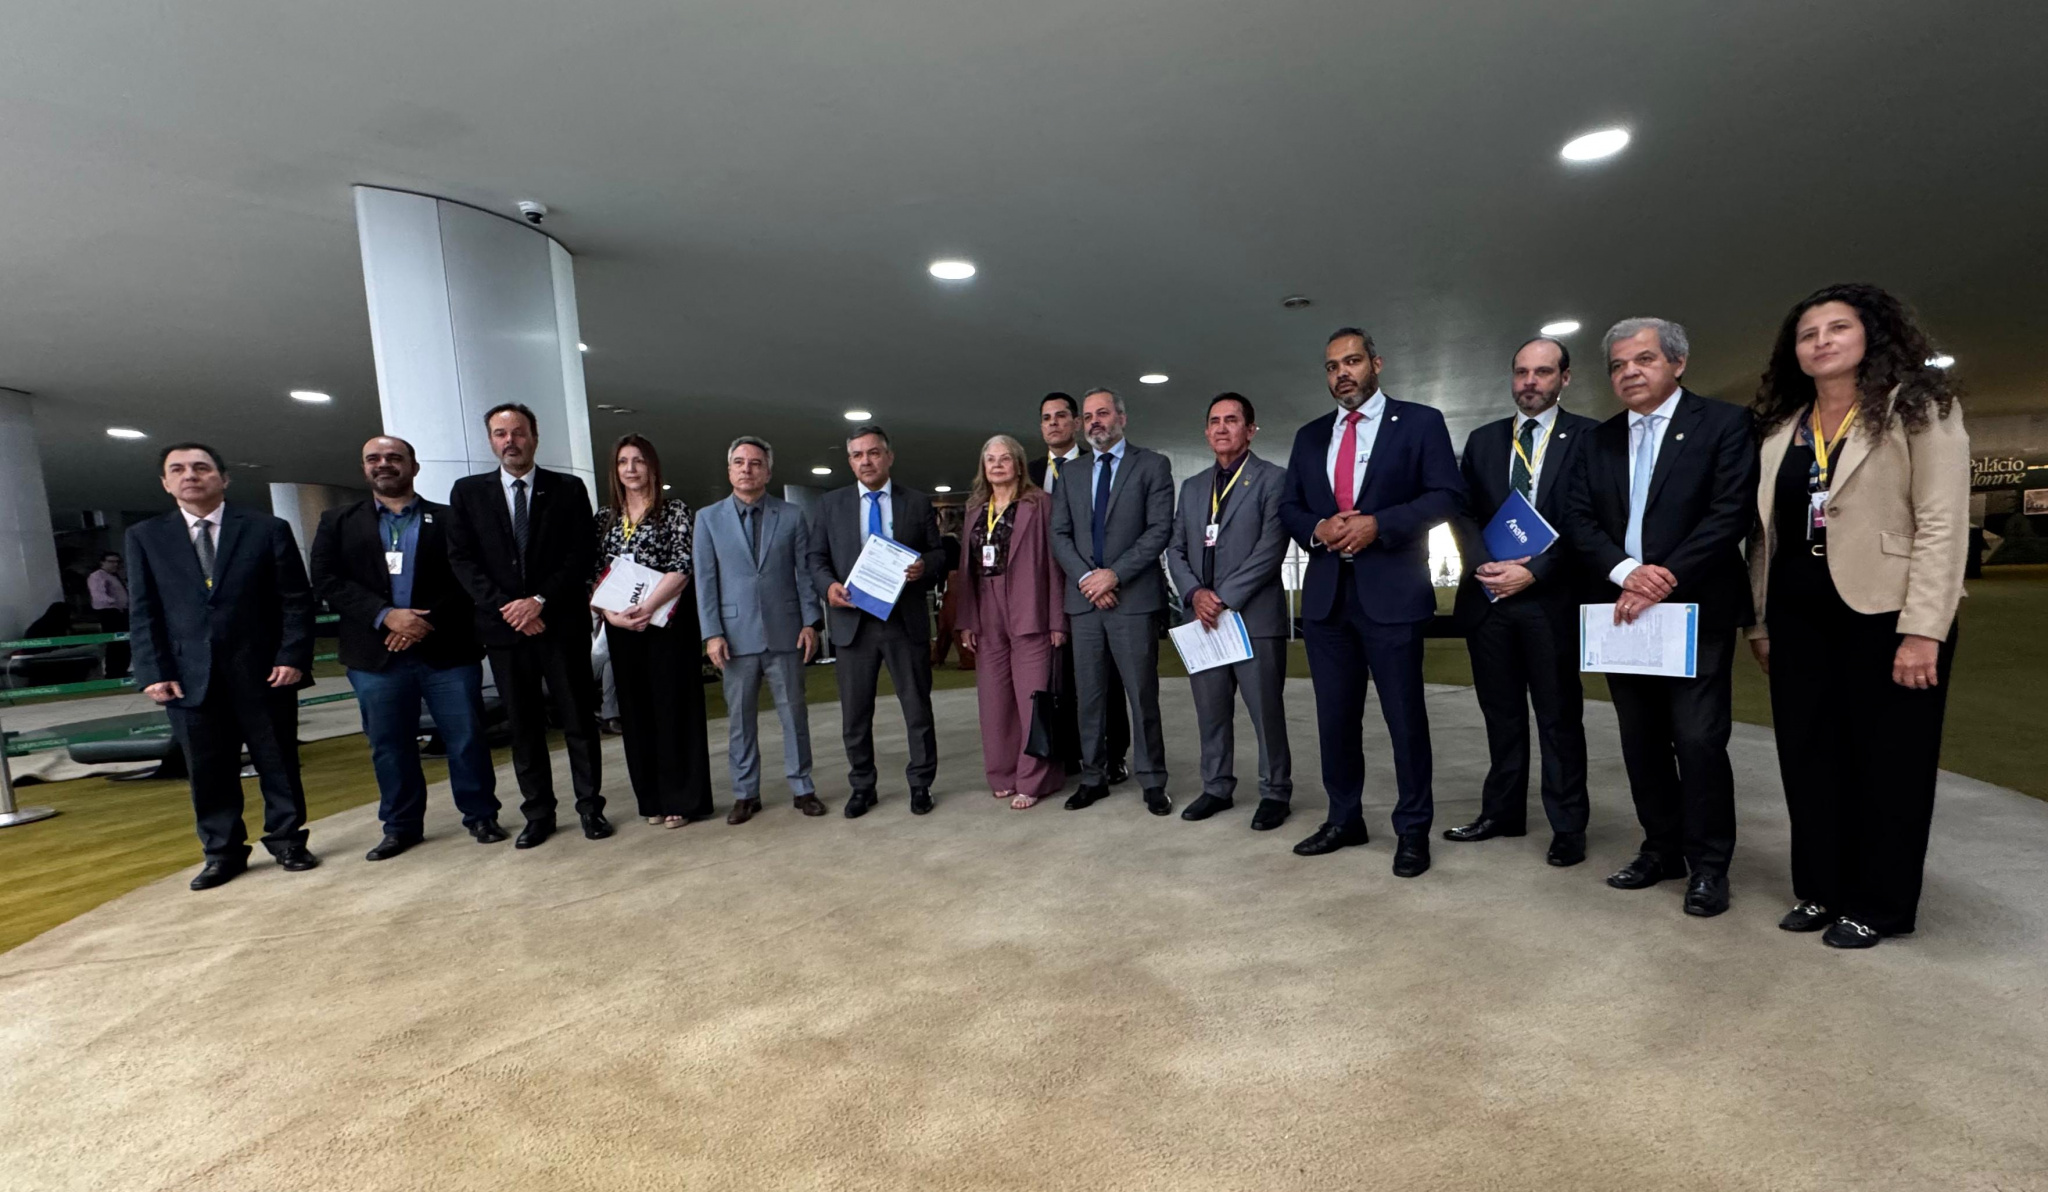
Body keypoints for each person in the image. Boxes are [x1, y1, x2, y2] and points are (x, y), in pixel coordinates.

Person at [1747, 284, 1969, 948]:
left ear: (1871, 334)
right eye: (1807, 333)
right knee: (1809, 758)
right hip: (1797, 618)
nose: (1821, 341)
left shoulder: (1920, 409)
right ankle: (1822, 888)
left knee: (1890, 764)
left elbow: (1942, 523)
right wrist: (1760, 622)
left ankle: (1881, 904)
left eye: (1837, 328)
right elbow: (1763, 535)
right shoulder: (1783, 428)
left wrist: (1924, 630)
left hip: (1887, 615)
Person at [1559, 317, 1757, 917]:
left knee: (1698, 740)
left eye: (1643, 359)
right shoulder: (1597, 441)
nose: (1629, 373)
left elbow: (1729, 512)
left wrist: (1663, 577)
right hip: (1623, 611)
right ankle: (1661, 849)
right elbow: (1577, 518)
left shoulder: (1724, 424)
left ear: (1678, 362)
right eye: (1618, 365)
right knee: (1640, 741)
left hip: (1695, 609)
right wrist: (1626, 573)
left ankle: (1709, 866)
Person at [1278, 328, 1464, 877]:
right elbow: (1289, 506)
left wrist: (1379, 524)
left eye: (1353, 361)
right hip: (1327, 601)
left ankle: (1413, 830)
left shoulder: (1420, 422)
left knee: (1404, 719)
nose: (1343, 373)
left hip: (1393, 597)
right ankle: (1344, 818)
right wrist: (1317, 528)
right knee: (1335, 719)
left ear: (1376, 364)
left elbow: (1446, 495)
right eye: (1332, 366)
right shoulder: (1310, 436)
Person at [125, 442, 316, 889]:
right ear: (166, 483)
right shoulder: (145, 536)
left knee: (279, 762)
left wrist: (292, 656)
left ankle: (288, 841)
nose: (190, 475)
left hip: (264, 671)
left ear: (223, 478)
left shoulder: (267, 528)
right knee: (208, 769)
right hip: (188, 676)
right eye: (178, 469)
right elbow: (143, 610)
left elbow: (295, 600)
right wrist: (153, 671)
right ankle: (222, 852)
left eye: (201, 467)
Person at [310, 435, 503, 859]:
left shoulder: (451, 519)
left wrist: (418, 623)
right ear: (364, 468)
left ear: (413, 467)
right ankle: (401, 826)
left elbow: (469, 579)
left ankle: (481, 816)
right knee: (389, 744)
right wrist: (385, 615)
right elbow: (326, 580)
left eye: (394, 457)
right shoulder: (337, 521)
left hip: (446, 649)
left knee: (466, 738)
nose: (384, 464)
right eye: (373, 458)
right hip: (374, 655)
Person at [1445, 338, 1598, 866]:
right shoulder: (1484, 440)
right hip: (1489, 599)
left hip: (1550, 601)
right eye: (1521, 372)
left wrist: (1533, 571)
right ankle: (1503, 813)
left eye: (1543, 372)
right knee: (1501, 716)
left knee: (1558, 718)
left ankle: (1568, 826)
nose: (1530, 382)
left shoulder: (1589, 437)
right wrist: (1484, 564)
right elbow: (1463, 511)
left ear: (1564, 378)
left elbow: (1589, 519)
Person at [446, 402, 608, 849]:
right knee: (524, 725)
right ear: (491, 441)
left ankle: (590, 807)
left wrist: (538, 602)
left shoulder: (568, 489)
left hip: (560, 625)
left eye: (518, 432)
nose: (510, 441)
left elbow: (581, 554)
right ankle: (538, 814)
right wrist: (510, 608)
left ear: (534, 437)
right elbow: (462, 559)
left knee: (578, 720)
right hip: (504, 630)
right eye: (500, 434)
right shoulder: (468, 493)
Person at [1164, 393, 1294, 830]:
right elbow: (1175, 548)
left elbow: (1270, 550)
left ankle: (1275, 792)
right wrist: (1194, 593)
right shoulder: (1193, 487)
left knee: (1265, 712)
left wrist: (1221, 597)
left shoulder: (1273, 479)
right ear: (1206, 432)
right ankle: (1217, 786)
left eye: (1232, 420)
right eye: (1215, 421)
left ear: (1250, 430)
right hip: (1202, 619)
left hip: (1252, 619)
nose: (1222, 428)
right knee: (1211, 711)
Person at [805, 424, 948, 817]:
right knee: (855, 714)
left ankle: (921, 784)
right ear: (849, 461)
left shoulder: (916, 502)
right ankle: (862, 786)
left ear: (889, 456)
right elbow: (815, 558)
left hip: (904, 620)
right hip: (853, 624)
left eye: (873, 453)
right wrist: (828, 586)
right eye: (857, 455)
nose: (865, 461)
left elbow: (939, 554)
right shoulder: (830, 505)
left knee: (917, 709)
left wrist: (924, 566)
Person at [1048, 387, 1176, 816]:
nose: (1095, 422)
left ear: (1121, 417)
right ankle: (1093, 777)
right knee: (1089, 696)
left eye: (1102, 413)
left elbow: (1158, 530)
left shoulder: (1152, 465)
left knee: (1142, 695)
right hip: (1085, 602)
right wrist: (1088, 579)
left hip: (1132, 600)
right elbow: (1059, 534)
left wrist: (1114, 575)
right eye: (1088, 417)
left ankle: (1153, 780)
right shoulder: (1071, 474)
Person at [696, 436, 826, 822]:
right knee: (740, 720)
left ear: (768, 472)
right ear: (729, 470)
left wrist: (811, 622)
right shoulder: (708, 519)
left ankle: (803, 787)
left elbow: (804, 573)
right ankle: (745, 793)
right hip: (734, 637)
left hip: (786, 631)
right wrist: (711, 633)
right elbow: (705, 581)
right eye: (739, 462)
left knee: (794, 715)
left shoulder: (791, 516)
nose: (747, 469)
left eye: (755, 463)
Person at [592, 434, 714, 829]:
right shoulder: (604, 518)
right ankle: (653, 799)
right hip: (621, 629)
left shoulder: (674, 510)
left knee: (673, 709)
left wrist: (646, 607)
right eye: (622, 462)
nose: (630, 469)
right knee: (636, 713)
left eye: (638, 461)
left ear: (652, 467)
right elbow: (593, 576)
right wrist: (612, 616)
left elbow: (682, 565)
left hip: (667, 625)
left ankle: (683, 798)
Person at [953, 434, 1068, 808]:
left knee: (1032, 698)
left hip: (1031, 607)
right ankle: (1002, 773)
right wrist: (967, 619)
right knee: (994, 699)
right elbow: (966, 569)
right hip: (986, 610)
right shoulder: (975, 508)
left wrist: (1057, 620)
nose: (997, 464)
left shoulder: (1040, 504)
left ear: (1018, 464)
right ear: (983, 467)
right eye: (990, 459)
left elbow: (1054, 565)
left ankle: (1033, 780)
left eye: (1005, 458)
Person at [1030, 391, 1130, 783]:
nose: (1053, 423)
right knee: (1058, 676)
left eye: (1061, 416)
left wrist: (1093, 580)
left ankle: (1113, 754)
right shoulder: (1028, 472)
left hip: (1095, 587)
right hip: (1044, 589)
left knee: (1106, 678)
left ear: (1076, 423)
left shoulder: (1100, 462)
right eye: (1046, 418)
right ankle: (1069, 754)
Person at [88, 552, 130, 677]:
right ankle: (113, 672)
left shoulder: (115, 576)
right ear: (102, 562)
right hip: (109, 611)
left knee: (124, 643)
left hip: (121, 611)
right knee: (115, 643)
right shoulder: (97, 576)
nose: (115, 564)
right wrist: (115, 602)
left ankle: (122, 670)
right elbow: (99, 595)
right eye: (111, 561)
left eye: (117, 562)